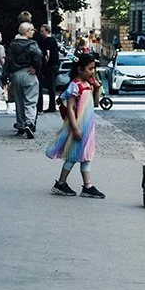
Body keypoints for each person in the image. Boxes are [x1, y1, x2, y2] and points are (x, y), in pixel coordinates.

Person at [45, 53, 105, 198]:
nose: (93, 72)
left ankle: (86, 186)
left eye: (94, 69)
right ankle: (62, 183)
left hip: (88, 126)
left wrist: (97, 88)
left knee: (86, 156)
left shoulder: (88, 84)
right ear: (80, 69)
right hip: (78, 126)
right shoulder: (75, 85)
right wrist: (75, 128)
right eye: (90, 69)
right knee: (73, 156)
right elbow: (70, 108)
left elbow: (96, 104)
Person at [6, 23, 43, 138]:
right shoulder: (32, 44)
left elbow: (8, 60)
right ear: (26, 32)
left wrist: (5, 76)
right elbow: (38, 55)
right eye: (31, 30)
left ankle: (21, 124)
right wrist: (36, 68)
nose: (33, 32)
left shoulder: (13, 44)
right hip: (28, 73)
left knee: (19, 100)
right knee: (30, 100)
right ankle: (29, 122)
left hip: (16, 74)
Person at [39, 24, 61, 113]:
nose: (41, 33)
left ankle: (52, 106)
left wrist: (45, 63)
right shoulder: (51, 40)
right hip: (52, 65)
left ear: (47, 31)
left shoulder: (48, 40)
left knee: (51, 87)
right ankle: (51, 106)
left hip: (50, 66)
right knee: (51, 86)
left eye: (42, 31)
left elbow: (47, 54)